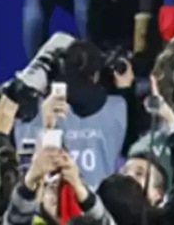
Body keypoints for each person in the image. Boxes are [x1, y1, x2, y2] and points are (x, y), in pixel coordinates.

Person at [12, 41, 131, 190]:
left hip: (46, 205)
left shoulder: (35, 112)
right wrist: (126, 90)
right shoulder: (119, 107)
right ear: (95, 75)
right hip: (101, 206)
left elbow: (24, 161)